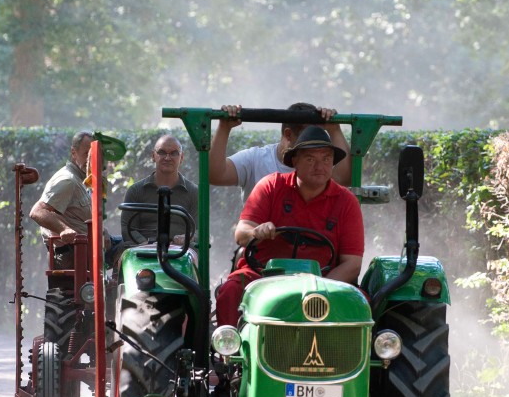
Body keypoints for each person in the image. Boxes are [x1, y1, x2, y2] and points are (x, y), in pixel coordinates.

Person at [215, 126, 365, 327]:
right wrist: (256, 231)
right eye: (311, 159)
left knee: (362, 303)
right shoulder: (271, 186)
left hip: (323, 279)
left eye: (326, 159)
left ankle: (361, 354)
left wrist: (320, 289)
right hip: (264, 274)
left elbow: (352, 264)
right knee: (230, 291)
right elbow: (242, 233)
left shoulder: (347, 202)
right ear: (294, 161)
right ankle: (231, 354)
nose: (320, 166)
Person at [209, 102, 352, 199]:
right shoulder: (255, 159)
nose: (317, 163)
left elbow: (344, 179)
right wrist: (224, 127)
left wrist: (335, 129)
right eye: (307, 142)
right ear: (288, 134)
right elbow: (215, 175)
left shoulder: (321, 166)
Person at [30, 130, 94, 269]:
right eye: (86, 154)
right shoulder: (67, 180)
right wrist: (64, 229)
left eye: (94, 155)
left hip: (92, 250)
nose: (91, 160)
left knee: (129, 247)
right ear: (73, 153)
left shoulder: (84, 180)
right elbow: (37, 211)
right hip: (74, 254)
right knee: (127, 251)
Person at [121, 134, 199, 246]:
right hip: (141, 253)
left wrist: (187, 238)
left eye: (174, 153)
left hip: (182, 254)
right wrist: (145, 244)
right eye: (162, 152)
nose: (167, 158)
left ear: (181, 157)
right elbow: (127, 228)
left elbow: (201, 231)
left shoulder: (194, 192)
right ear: (153, 155)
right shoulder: (135, 191)